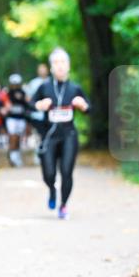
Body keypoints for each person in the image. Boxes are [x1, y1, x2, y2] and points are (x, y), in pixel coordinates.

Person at [31, 48, 89, 219]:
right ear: (51, 67)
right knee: (49, 173)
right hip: (49, 136)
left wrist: (83, 106)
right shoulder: (44, 87)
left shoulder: (75, 88)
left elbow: (89, 108)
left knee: (66, 171)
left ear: (68, 66)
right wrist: (39, 105)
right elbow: (30, 105)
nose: (60, 66)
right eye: (56, 63)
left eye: (63, 62)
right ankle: (51, 189)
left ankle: (63, 205)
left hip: (69, 136)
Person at [25, 62, 50, 158]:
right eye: (40, 69)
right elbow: (28, 98)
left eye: (44, 69)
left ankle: (48, 152)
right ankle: (38, 153)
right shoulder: (34, 83)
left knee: (47, 134)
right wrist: (34, 106)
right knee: (39, 134)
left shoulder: (51, 82)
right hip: (37, 115)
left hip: (50, 115)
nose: (42, 71)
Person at [5, 73, 29, 167]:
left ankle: (17, 155)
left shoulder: (23, 93)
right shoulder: (7, 93)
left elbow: (27, 104)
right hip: (11, 119)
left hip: (21, 118)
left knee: (18, 138)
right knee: (13, 137)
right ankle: (12, 155)